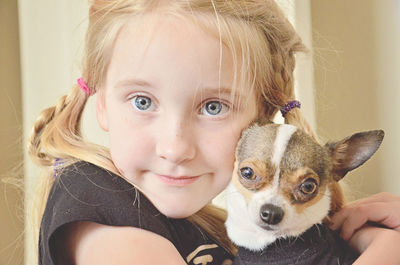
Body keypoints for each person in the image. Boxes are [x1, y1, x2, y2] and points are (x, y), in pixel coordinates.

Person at [29, 0, 400, 264]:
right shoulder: (96, 203)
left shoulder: (214, 229)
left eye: (213, 107)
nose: (175, 148)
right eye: (142, 101)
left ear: (262, 120)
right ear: (102, 101)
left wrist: (366, 238)